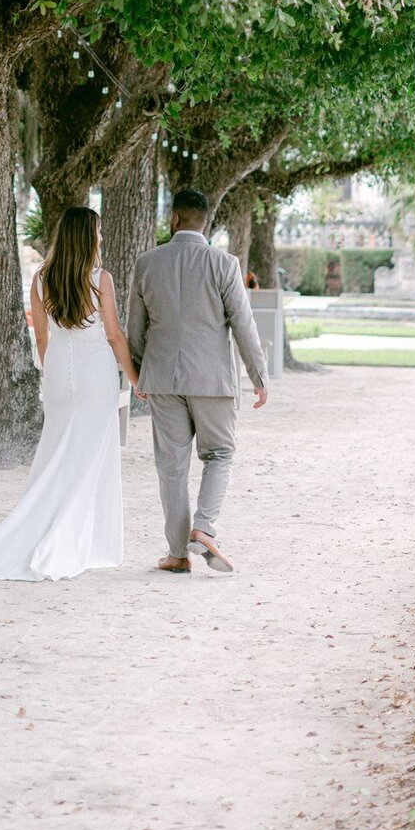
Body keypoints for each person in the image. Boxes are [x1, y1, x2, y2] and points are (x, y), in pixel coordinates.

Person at [0, 206, 139, 582]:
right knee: (90, 457)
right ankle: (77, 542)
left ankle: (50, 529)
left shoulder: (40, 279)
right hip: (95, 375)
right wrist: (135, 379)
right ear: (88, 237)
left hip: (58, 373)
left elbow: (42, 337)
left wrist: (52, 370)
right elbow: (114, 335)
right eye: (99, 232)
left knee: (58, 451)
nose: (102, 237)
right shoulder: (100, 279)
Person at [127, 188, 268, 575]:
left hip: (162, 380)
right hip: (212, 380)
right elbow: (243, 323)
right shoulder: (224, 264)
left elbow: (134, 329)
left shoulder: (147, 263)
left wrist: (139, 374)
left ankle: (177, 553)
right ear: (205, 222)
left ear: (174, 219)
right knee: (219, 454)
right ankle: (204, 528)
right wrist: (259, 376)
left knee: (171, 466)